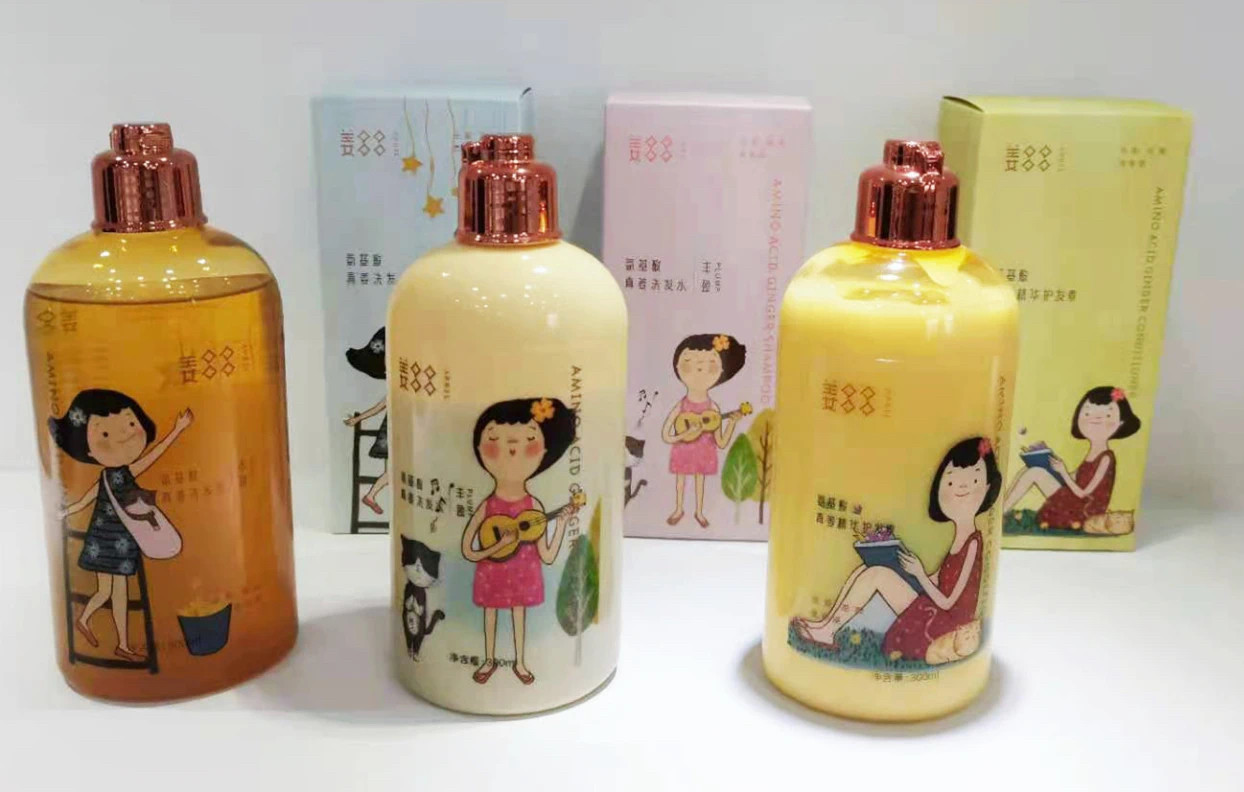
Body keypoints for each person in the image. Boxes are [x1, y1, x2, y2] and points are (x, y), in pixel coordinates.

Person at [793, 437, 999, 661]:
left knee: (878, 575)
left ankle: (827, 631)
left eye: (973, 481)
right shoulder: (960, 537)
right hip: (936, 607)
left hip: (947, 623)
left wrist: (919, 574)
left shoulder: (973, 543)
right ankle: (824, 625)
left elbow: (949, 602)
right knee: (867, 568)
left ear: (988, 488)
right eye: (950, 482)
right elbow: (940, 579)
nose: (961, 488)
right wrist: (907, 571)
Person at [50, 389, 193, 661]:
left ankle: (118, 642)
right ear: (87, 450)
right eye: (104, 434)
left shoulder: (122, 473)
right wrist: (65, 511)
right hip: (105, 539)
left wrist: (177, 429)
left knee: (117, 593)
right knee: (109, 591)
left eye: (130, 423)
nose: (124, 435)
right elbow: (85, 499)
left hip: (122, 539)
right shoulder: (111, 476)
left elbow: (152, 456)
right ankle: (93, 624)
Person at [460, 397, 579, 685]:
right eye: (494, 441)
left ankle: (520, 662)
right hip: (492, 570)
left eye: (527, 442)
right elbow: (468, 550)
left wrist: (562, 525)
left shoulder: (534, 507)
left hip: (523, 572)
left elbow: (547, 555)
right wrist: (495, 547)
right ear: (479, 449)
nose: (511, 449)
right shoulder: (488, 506)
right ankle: (489, 660)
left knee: (518, 613)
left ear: (544, 453)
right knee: (490, 612)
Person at [1002, 386, 1140, 529]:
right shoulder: (1093, 452)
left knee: (1034, 473)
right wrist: (1051, 464)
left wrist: (1062, 472)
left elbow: (1084, 493)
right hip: (1075, 500)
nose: (1095, 419)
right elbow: (1076, 477)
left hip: (1085, 511)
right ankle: (1002, 507)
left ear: (1121, 422)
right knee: (1030, 469)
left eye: (1107, 416)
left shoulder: (1106, 458)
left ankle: (1001, 511)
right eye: (1087, 413)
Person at [661, 333, 747, 528]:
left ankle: (699, 512)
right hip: (682, 449)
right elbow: (666, 435)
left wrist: (732, 423)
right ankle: (678, 509)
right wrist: (683, 435)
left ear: (721, 372)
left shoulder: (713, 408)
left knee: (700, 481)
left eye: (710, 366)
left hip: (704, 451)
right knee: (681, 480)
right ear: (677, 367)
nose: (699, 370)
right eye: (689, 364)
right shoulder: (681, 405)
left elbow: (721, 443)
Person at [343, 328, 390, 515]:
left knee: (394, 470)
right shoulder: (397, 386)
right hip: (394, 431)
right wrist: (358, 418)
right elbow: (380, 406)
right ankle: (371, 496)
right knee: (394, 470)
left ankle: (371, 496)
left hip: (401, 430)